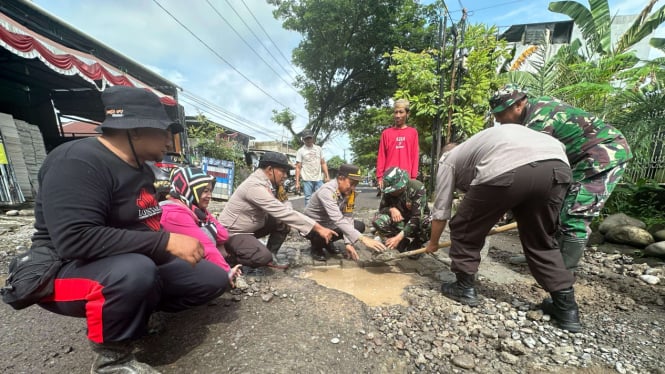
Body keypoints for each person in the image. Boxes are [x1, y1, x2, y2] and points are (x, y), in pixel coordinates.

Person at [30, 85, 231, 373]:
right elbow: (74, 240)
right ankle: (112, 360)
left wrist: (173, 244)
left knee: (212, 278)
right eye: (162, 130)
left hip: (126, 262)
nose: (168, 139)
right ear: (134, 131)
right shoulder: (76, 161)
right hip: (63, 272)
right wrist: (164, 243)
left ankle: (137, 315)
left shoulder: (142, 168)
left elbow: (145, 225)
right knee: (135, 271)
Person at [424, 124, 581, 333]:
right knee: (541, 240)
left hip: (508, 167)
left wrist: (433, 243)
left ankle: (463, 287)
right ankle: (567, 308)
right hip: (557, 168)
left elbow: (441, 209)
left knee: (463, 227)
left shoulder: (448, 159)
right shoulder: (479, 147)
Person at [489, 85, 632, 271]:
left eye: (501, 114)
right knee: (552, 209)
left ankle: (562, 277)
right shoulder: (532, 115)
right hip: (579, 162)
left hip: (603, 155)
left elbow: (528, 166)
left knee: (574, 215)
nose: (499, 120)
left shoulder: (539, 121)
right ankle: (543, 257)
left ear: (518, 105)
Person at [219, 151, 337, 269]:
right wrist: (318, 228)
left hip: (252, 226)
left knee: (282, 222)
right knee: (261, 257)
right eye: (283, 171)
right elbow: (283, 212)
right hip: (233, 233)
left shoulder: (272, 184)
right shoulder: (254, 186)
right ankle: (226, 257)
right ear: (270, 169)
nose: (285, 175)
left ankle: (271, 255)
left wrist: (298, 222)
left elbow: (285, 205)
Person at [160, 166, 242, 282]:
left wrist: (204, 213)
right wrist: (227, 272)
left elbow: (223, 235)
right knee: (218, 280)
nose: (209, 196)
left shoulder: (193, 209)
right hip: (167, 268)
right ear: (190, 190)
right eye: (205, 191)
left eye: (210, 191)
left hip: (180, 261)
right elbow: (206, 247)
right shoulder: (174, 213)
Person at [304, 164, 386, 261]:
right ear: (340, 179)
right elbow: (338, 219)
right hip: (313, 226)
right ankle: (316, 248)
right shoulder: (327, 191)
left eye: (355, 185)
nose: (353, 188)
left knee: (359, 226)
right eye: (351, 184)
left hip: (330, 224)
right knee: (323, 232)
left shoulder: (350, 193)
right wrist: (363, 239)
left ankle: (327, 243)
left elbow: (348, 217)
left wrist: (348, 243)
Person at [372, 166, 431, 257]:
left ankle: (416, 243)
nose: (392, 192)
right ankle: (401, 242)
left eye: (394, 190)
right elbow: (382, 210)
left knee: (431, 223)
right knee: (378, 219)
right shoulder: (388, 192)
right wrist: (391, 209)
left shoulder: (416, 187)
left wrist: (398, 237)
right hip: (400, 222)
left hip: (417, 224)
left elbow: (417, 217)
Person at [376, 99, 420, 194]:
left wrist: (413, 178)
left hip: (406, 180)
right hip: (389, 179)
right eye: (396, 112)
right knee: (388, 208)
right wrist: (379, 177)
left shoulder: (413, 133)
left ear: (407, 114)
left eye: (401, 112)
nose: (398, 115)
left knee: (406, 207)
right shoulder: (386, 133)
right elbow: (381, 156)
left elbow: (415, 156)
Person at [295, 129, 330, 207]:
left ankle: (320, 215)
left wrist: (327, 176)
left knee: (321, 197)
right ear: (303, 139)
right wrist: (297, 182)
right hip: (307, 179)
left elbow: (323, 163)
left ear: (313, 138)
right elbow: (298, 167)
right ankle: (309, 216)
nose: (308, 140)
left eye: (310, 138)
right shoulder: (300, 151)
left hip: (319, 179)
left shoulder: (318, 149)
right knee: (308, 198)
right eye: (306, 138)